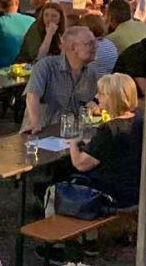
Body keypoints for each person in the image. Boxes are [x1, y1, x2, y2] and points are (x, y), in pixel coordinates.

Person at [62, 72, 142, 209]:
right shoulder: (140, 120)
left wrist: (73, 143)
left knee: (62, 176)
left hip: (112, 195)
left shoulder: (110, 129)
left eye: (101, 94)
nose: (97, 97)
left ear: (114, 98)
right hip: (136, 189)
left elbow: (81, 164)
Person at [22, 26, 103, 132]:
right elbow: (32, 95)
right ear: (73, 47)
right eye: (90, 43)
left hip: (72, 135)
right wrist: (35, 122)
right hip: (42, 132)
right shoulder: (46, 66)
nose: (96, 47)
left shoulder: (92, 73)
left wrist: (95, 109)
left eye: (96, 42)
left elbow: (98, 103)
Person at [0, 0, 35, 66]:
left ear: (0, 5)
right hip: (27, 66)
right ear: (17, 2)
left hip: (3, 66)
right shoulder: (32, 20)